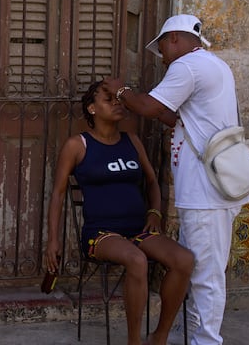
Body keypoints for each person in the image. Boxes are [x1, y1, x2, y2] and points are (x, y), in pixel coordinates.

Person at [103, 14, 249, 345]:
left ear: (173, 39)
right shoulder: (215, 66)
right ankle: (196, 336)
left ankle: (205, 341)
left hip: (205, 193)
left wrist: (120, 90)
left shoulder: (188, 67)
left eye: (163, 50)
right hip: (211, 189)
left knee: (206, 276)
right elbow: (174, 116)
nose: (164, 58)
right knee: (202, 271)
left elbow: (147, 106)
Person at [44, 80, 194, 345]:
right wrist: (53, 240)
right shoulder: (77, 145)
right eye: (108, 99)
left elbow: (151, 181)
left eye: (118, 99)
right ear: (91, 109)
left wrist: (155, 213)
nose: (117, 103)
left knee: (183, 260)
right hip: (100, 235)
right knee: (136, 260)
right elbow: (57, 193)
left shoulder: (132, 141)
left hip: (138, 230)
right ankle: (134, 341)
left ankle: (159, 336)